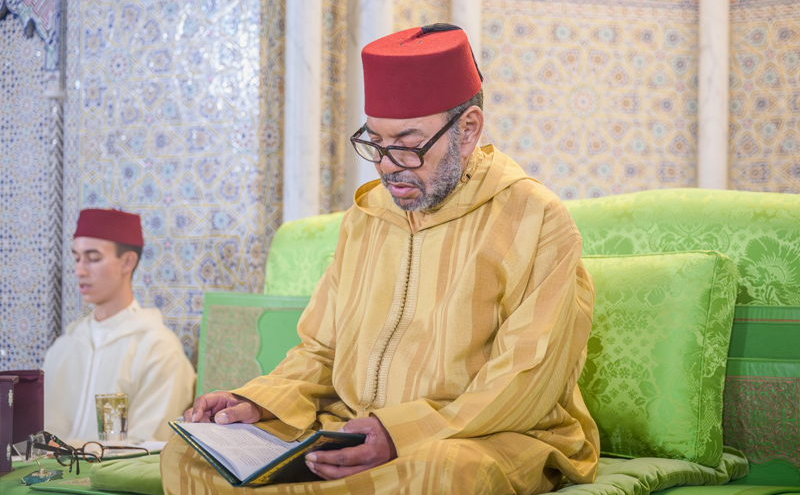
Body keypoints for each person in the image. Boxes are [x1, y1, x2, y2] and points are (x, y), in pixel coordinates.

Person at [163, 24, 599, 494]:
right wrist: (257, 403)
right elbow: (321, 352)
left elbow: (526, 378)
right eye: (376, 143)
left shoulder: (535, 219)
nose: (388, 164)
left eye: (408, 145)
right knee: (190, 453)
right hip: (350, 428)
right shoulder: (365, 219)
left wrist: (400, 434)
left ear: (468, 130)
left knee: (443, 473)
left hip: (484, 435)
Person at [43, 208, 195, 444]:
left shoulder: (158, 349)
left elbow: (146, 444)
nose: (80, 270)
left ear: (127, 262)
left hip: (108, 478)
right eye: (76, 258)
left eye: (93, 258)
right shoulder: (64, 347)